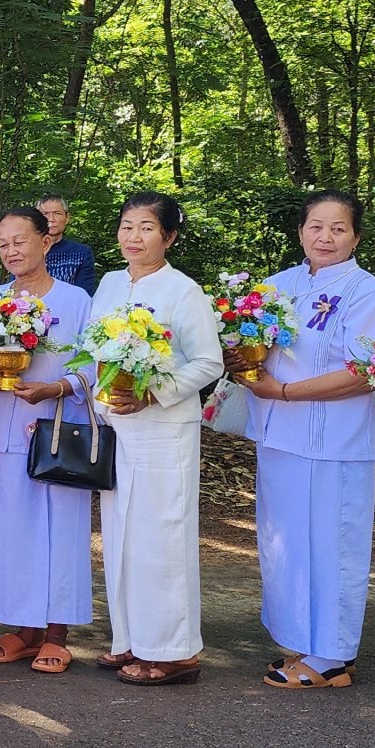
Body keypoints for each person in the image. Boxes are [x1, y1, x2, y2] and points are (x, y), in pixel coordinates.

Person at [240, 192, 375, 688]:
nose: (325, 237)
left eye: (338, 228)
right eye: (315, 226)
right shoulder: (277, 285)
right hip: (277, 435)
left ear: (356, 237)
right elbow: (249, 345)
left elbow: (366, 371)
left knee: (332, 545)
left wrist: (284, 391)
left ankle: (332, 656)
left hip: (333, 441)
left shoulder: (367, 293)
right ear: (301, 231)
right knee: (284, 544)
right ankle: (301, 642)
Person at [91, 191, 224, 687]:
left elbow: (209, 361)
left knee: (162, 538)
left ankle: (174, 652)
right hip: (117, 425)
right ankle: (130, 639)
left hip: (163, 430)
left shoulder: (184, 291)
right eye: (127, 226)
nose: (134, 236)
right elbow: (92, 349)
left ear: (168, 236)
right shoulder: (109, 283)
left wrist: (154, 394)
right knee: (120, 537)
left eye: (146, 228)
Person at [0, 207, 95, 674]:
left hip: (57, 429)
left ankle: (57, 632)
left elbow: (93, 364)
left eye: (19, 241)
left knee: (59, 530)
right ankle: (25, 628)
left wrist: (55, 387)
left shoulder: (75, 300)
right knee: (10, 531)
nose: (10, 251)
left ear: (45, 242)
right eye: (3, 244)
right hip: (4, 428)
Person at [37, 195, 99, 296]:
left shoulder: (81, 253)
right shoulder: (27, 251)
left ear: (67, 218)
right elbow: (16, 289)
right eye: (45, 214)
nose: (51, 219)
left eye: (57, 213)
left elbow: (83, 295)